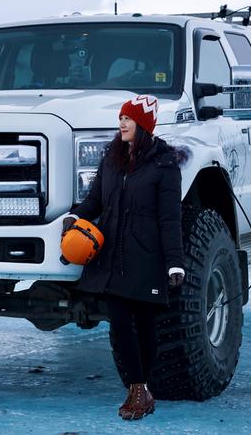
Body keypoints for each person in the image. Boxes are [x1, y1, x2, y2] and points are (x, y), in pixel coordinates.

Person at [62, 94, 190, 421]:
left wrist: (175, 262)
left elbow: (170, 218)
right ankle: (137, 388)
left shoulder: (165, 164)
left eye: (128, 118)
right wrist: (75, 218)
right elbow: (94, 201)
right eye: (121, 117)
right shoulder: (112, 158)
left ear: (144, 125)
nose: (121, 123)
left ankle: (141, 387)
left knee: (146, 324)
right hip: (113, 253)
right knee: (119, 321)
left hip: (147, 255)